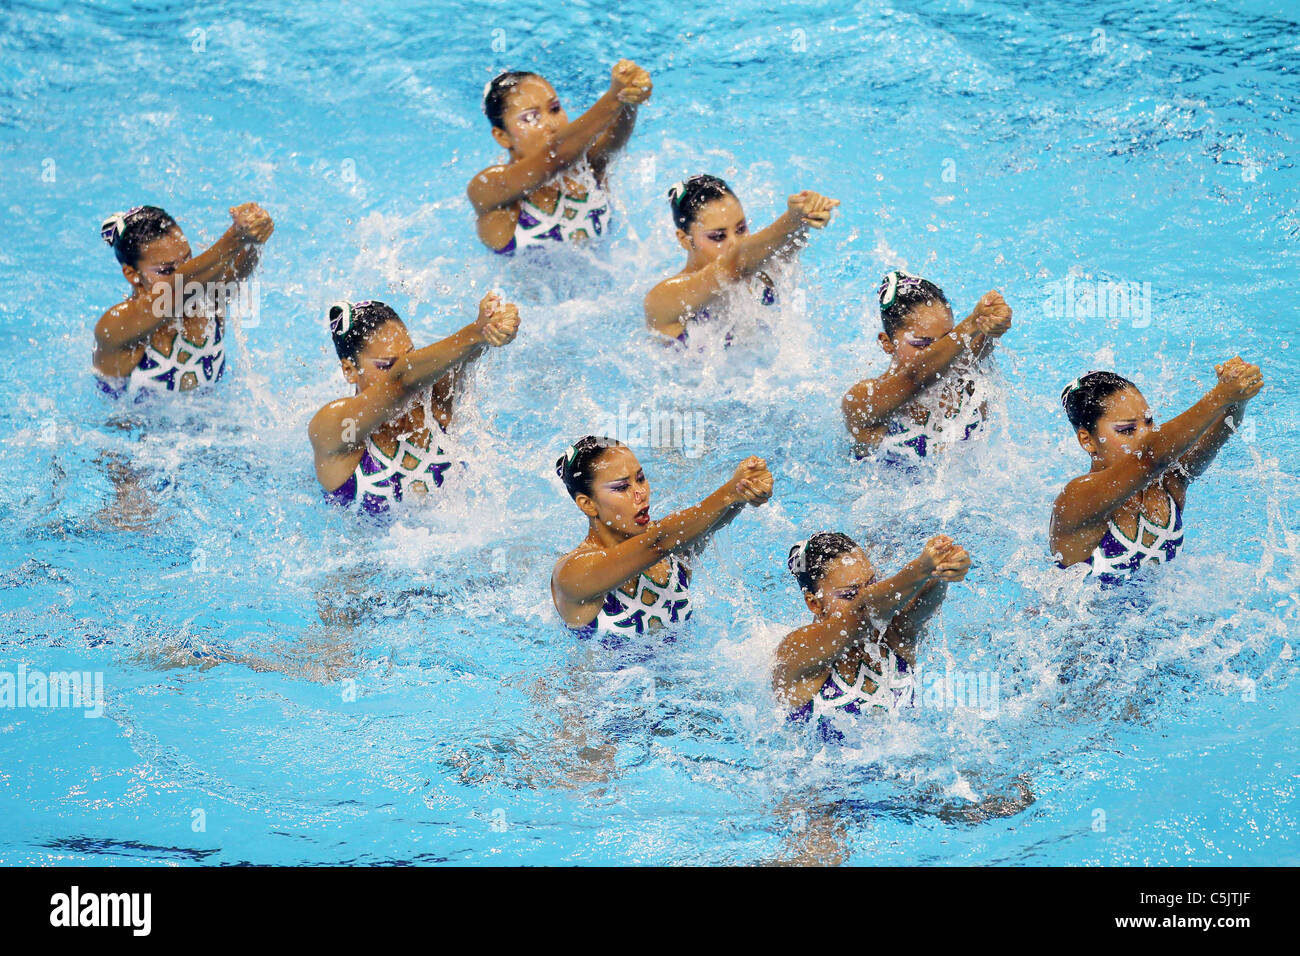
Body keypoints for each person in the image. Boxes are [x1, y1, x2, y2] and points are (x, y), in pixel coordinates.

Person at [1050, 358, 1263, 586]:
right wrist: (1220, 395)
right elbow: (1151, 457)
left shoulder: (1169, 482)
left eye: (1149, 422)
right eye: (1127, 429)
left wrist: (1239, 399)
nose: (1145, 435)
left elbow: (1223, 429)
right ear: (1087, 440)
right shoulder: (1076, 498)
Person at [308, 293, 520, 515]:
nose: (414, 373)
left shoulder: (436, 397)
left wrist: (495, 325)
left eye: (411, 355)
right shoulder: (342, 429)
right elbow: (401, 381)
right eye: (387, 365)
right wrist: (476, 332)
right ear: (349, 371)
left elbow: (467, 353)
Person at [551, 436, 773, 644]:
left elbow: (712, 523)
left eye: (640, 478)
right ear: (587, 504)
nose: (640, 493)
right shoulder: (573, 573)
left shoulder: (674, 546)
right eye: (621, 487)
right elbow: (657, 544)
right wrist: (730, 491)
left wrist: (747, 491)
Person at [772, 531, 969, 731]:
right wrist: (921, 568)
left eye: (873, 584)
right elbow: (864, 611)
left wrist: (944, 569)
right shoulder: (797, 649)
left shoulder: (892, 635)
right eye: (850, 594)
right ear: (814, 603)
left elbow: (923, 600)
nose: (870, 595)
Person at [468, 60, 651, 254]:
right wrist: (615, 97)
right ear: (502, 136)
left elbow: (615, 139)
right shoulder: (490, 188)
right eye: (531, 117)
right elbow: (554, 157)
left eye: (554, 109)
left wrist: (630, 97)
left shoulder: (587, 168)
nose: (551, 124)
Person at [94, 203, 273, 399]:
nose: (189, 272)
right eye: (166, 270)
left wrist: (255, 230)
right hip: (131, 429)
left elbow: (242, 264)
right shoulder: (116, 325)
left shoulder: (207, 300)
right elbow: (179, 287)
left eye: (189, 260)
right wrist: (236, 235)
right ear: (132, 274)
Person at [643, 174, 837, 345]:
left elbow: (788, 246)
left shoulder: (761, 278)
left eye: (741, 228)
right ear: (684, 240)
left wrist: (807, 214)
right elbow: (733, 267)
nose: (735, 243)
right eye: (718, 236)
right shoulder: (665, 298)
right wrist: (791, 219)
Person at [842, 272, 1011, 463]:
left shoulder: (961, 370)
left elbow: (981, 341)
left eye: (948, 339)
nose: (942, 351)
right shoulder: (863, 399)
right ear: (887, 343)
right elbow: (915, 378)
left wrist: (993, 319)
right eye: (921, 344)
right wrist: (973, 323)